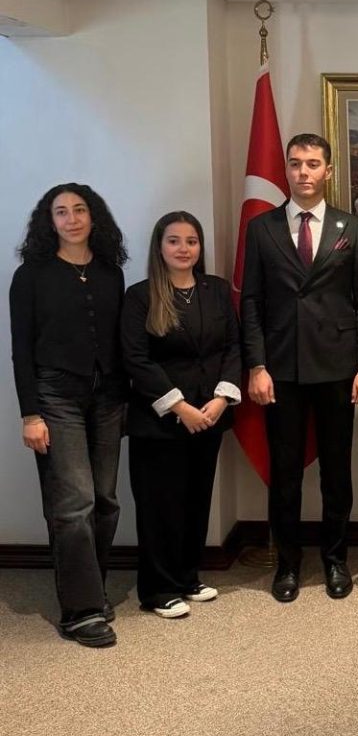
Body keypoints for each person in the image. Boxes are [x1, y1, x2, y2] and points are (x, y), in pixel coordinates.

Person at [241, 132, 358, 603]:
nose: (303, 172)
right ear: (286, 168)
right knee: (286, 473)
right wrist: (256, 365)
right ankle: (288, 563)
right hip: (281, 369)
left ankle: (336, 559)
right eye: (296, 163)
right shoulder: (262, 228)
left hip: (339, 368)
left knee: (337, 471)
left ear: (328, 171)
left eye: (313, 163)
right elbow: (252, 302)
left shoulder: (352, 228)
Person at [9, 184, 128, 647]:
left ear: (94, 217)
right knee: (73, 503)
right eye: (61, 212)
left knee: (105, 500)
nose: (72, 219)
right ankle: (80, 612)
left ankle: (93, 591)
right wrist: (30, 414)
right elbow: (21, 350)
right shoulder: (31, 276)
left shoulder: (110, 272)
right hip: (55, 398)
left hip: (108, 399)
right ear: (50, 221)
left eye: (80, 210)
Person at [121, 212, 241, 618]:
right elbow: (136, 359)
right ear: (159, 247)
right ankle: (157, 589)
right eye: (174, 241)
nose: (184, 248)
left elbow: (233, 347)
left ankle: (188, 577)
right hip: (160, 421)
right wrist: (179, 406)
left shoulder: (216, 290)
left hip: (209, 415)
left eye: (192, 241)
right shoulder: (140, 296)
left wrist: (222, 398)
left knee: (195, 499)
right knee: (160, 506)